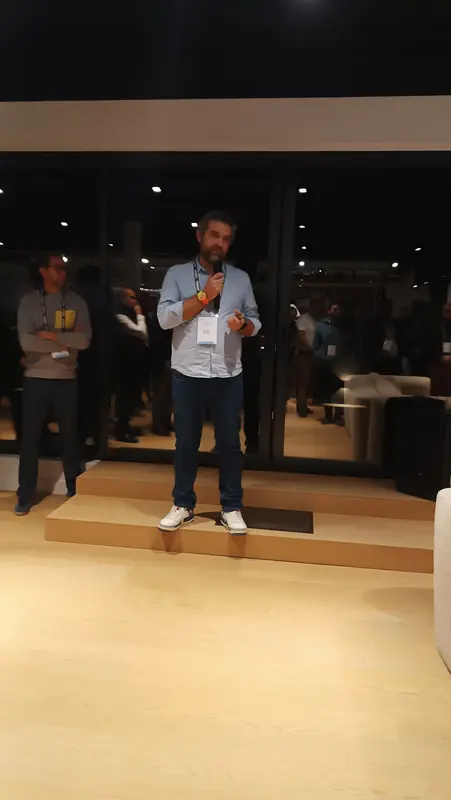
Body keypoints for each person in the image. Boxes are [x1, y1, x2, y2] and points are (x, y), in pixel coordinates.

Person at [157, 210, 261, 534]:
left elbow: (255, 322)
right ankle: (183, 504)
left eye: (226, 239)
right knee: (186, 443)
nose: (220, 243)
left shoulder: (241, 279)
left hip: (228, 373)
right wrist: (204, 296)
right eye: (215, 235)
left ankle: (231, 507)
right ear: (200, 236)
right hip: (188, 373)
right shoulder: (176, 275)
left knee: (229, 445)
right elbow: (164, 318)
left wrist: (243, 325)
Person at [15, 254, 92, 515]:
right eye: (57, 267)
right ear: (43, 271)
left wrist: (49, 335)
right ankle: (25, 495)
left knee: (70, 437)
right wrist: (63, 342)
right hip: (35, 378)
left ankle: (74, 489)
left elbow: (84, 340)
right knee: (30, 440)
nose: (62, 272)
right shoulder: (29, 302)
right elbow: (26, 343)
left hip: (66, 379)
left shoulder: (76, 302)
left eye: (63, 267)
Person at [114, 288, 149, 443]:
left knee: (131, 396)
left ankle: (126, 425)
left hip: (134, 362)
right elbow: (141, 332)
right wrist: (140, 315)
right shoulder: (120, 316)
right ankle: (121, 430)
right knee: (125, 397)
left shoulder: (129, 315)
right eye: (131, 297)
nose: (135, 301)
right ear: (123, 299)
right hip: (125, 363)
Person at [312, 300, 344, 425]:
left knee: (338, 390)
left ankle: (338, 415)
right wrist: (322, 357)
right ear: (329, 310)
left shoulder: (342, 326)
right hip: (324, 362)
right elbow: (316, 345)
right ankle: (328, 415)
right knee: (326, 390)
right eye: (335, 309)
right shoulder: (321, 326)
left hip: (338, 363)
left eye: (339, 310)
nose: (337, 312)